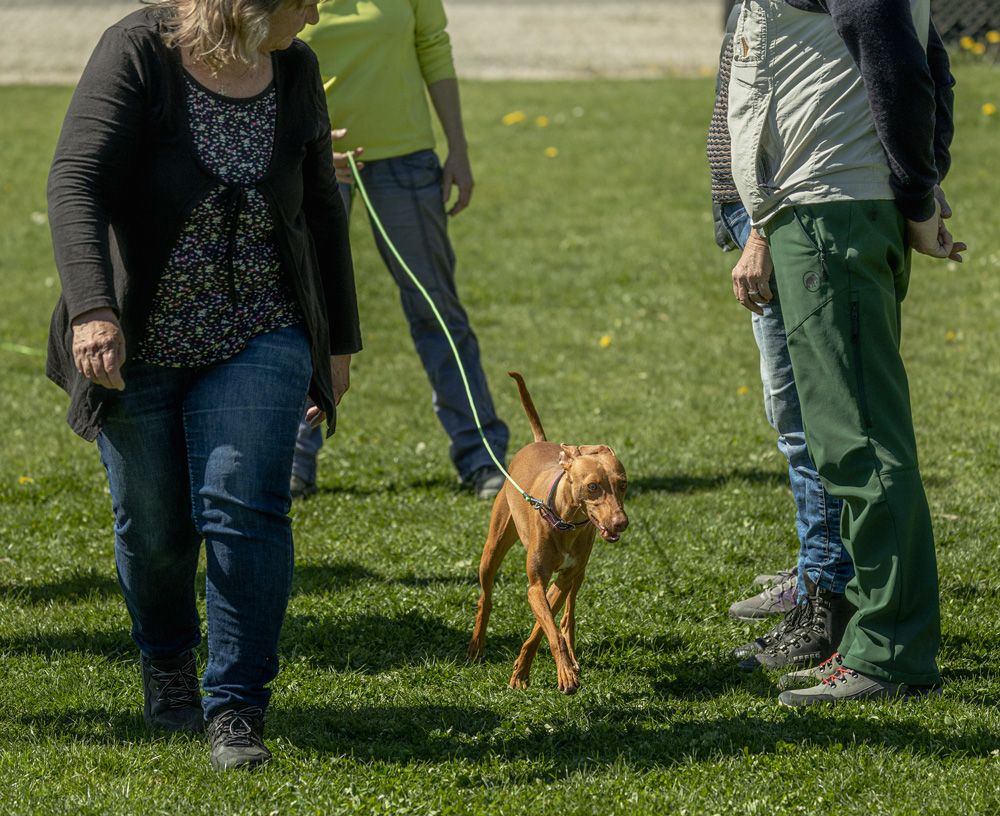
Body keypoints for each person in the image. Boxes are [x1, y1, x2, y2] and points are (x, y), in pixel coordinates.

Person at [46, 0, 361, 769]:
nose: (315, 14)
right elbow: (76, 181)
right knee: (154, 530)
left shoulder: (295, 67)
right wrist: (92, 310)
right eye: (304, 0)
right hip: (139, 338)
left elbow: (321, 208)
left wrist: (338, 342)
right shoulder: (138, 51)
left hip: (262, 325)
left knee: (244, 505)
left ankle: (236, 710)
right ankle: (167, 659)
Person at [726, 0, 964, 705]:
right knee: (846, 441)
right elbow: (929, 57)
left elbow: (901, 62)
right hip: (820, 210)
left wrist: (917, 192)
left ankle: (891, 654)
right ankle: (871, 638)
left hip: (834, 212)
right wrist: (919, 183)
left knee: (861, 443)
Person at [289, 0, 510, 501]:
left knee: (437, 309)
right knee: (305, 314)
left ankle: (482, 456)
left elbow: (433, 45)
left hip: (407, 162)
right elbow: (265, 52)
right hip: (311, 162)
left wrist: (458, 148)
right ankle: (292, 461)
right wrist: (305, 145)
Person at [707, 4, 854, 675]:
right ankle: (817, 566)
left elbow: (790, 109)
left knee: (804, 419)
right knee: (789, 414)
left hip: (779, 214)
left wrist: (761, 231)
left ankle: (825, 592)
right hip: (755, 211)